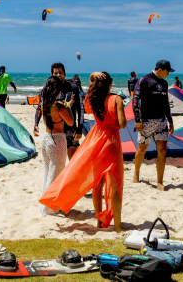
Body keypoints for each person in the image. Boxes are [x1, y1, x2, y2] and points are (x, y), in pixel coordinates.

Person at [40, 72, 126, 231]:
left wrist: (92, 79)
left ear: (95, 85)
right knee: (114, 184)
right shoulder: (117, 99)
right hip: (112, 141)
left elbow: (85, 108)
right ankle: (118, 226)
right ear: (111, 84)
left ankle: (99, 222)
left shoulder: (93, 100)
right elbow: (122, 124)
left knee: (97, 183)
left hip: (95, 140)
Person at [132, 60, 175, 191]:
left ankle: (160, 182)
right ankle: (136, 173)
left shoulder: (164, 83)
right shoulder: (144, 80)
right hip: (146, 122)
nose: (169, 74)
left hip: (161, 121)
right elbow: (136, 100)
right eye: (167, 71)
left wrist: (170, 120)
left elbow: (165, 103)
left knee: (162, 151)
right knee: (142, 150)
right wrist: (138, 120)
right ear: (160, 69)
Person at [36, 76, 73, 216]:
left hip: (46, 139)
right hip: (57, 140)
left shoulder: (45, 103)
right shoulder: (59, 106)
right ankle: (49, 207)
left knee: (48, 173)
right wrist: (68, 107)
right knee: (55, 175)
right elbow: (70, 122)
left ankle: (45, 205)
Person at [33, 63, 83, 160]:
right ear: (52, 75)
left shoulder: (73, 88)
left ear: (64, 74)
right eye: (55, 73)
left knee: (73, 161)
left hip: (70, 131)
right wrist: (36, 124)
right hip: (55, 134)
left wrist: (79, 128)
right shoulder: (47, 89)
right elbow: (40, 107)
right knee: (58, 164)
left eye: (60, 72)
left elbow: (80, 108)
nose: (58, 75)